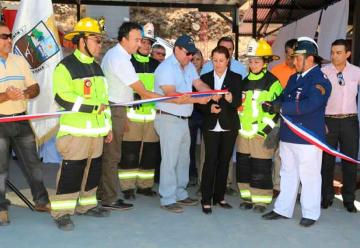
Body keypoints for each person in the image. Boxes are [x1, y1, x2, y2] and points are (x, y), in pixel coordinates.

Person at [262, 37, 331, 227]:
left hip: (308, 137)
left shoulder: (320, 79)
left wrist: (281, 107)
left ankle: (310, 213)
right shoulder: (294, 78)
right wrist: (272, 104)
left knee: (309, 176)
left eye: (297, 57)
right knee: (287, 173)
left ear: (310, 58)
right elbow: (284, 98)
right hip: (288, 135)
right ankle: (283, 209)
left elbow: (311, 104)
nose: (293, 61)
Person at [51, 17, 112, 231]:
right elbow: (63, 97)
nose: (99, 44)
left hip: (97, 132)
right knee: (72, 172)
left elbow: (105, 100)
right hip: (75, 133)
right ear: (81, 41)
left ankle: (87, 205)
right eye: (96, 39)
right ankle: (62, 213)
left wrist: (108, 126)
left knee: (93, 170)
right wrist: (93, 107)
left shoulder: (98, 68)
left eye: (100, 40)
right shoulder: (65, 67)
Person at [98, 22, 162, 210]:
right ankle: (108, 198)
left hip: (118, 108)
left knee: (110, 155)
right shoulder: (119, 58)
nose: (139, 44)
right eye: (136, 40)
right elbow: (142, 92)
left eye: (141, 40)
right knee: (112, 156)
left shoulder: (119, 56)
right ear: (124, 39)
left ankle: (103, 193)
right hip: (115, 108)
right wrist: (174, 99)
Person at [0, 21, 50, 226]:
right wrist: (6, 96)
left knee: (33, 164)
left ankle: (42, 201)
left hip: (21, 119)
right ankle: (1, 208)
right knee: (0, 168)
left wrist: (26, 93)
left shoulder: (19, 61)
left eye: (10, 36)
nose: (9, 40)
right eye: (4, 36)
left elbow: (35, 87)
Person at [154, 34, 211, 213]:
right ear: (177, 49)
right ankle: (168, 198)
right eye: (187, 53)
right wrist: (199, 101)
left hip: (183, 120)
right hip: (169, 118)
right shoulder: (165, 68)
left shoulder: (188, 67)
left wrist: (211, 93)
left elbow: (199, 83)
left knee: (183, 159)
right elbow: (172, 95)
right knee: (170, 160)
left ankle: (180, 192)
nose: (190, 57)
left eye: (192, 54)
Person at [236, 38, 282, 213]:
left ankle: (261, 201)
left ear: (265, 62)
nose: (253, 64)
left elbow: (277, 112)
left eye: (256, 61)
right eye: (251, 61)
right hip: (244, 132)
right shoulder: (244, 81)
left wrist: (265, 132)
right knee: (243, 166)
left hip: (263, 133)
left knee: (261, 167)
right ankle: (247, 198)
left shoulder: (273, 83)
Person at [118, 22, 160, 199]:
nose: (146, 45)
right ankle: (127, 187)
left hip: (152, 118)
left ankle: (145, 186)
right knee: (130, 153)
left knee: (150, 154)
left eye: (149, 43)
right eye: (143, 41)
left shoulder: (156, 65)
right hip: (132, 117)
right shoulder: (128, 61)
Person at [198, 46, 242, 214]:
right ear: (211, 60)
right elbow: (198, 103)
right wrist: (209, 108)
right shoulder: (204, 78)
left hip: (229, 125)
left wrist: (231, 100)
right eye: (215, 60)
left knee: (224, 163)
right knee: (210, 161)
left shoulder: (236, 78)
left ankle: (219, 197)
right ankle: (206, 199)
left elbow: (238, 102)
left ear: (227, 61)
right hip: (210, 125)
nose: (218, 64)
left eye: (221, 61)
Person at [321, 39, 360, 213]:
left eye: (338, 53)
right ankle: (326, 196)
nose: (334, 56)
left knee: (349, 162)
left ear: (347, 54)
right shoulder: (323, 72)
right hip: (328, 121)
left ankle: (349, 199)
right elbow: (318, 99)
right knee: (326, 161)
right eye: (332, 52)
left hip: (350, 121)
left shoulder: (356, 72)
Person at [270, 38, 297, 196]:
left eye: (295, 55)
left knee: (298, 154)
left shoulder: (305, 72)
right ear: (285, 53)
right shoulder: (276, 71)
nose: (291, 59)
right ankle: (277, 186)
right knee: (279, 153)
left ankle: (297, 189)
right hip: (279, 118)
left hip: (299, 119)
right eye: (289, 55)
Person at [189, 50, 204, 186]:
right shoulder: (186, 76)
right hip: (190, 114)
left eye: (198, 59)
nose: (195, 62)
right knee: (190, 146)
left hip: (204, 115)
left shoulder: (206, 78)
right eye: (192, 59)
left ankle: (203, 175)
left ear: (202, 62)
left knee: (205, 148)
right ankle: (191, 173)